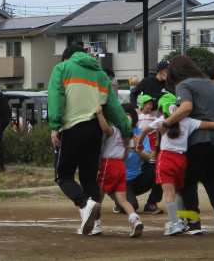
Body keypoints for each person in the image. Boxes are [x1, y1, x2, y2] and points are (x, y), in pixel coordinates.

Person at [141, 55, 214, 235]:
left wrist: (167, 123)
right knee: (210, 177)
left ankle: (193, 223)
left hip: (201, 139)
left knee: (188, 181)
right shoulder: (212, 84)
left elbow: (185, 107)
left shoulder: (184, 85)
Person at [48, 45, 131, 236]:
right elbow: (113, 107)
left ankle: (85, 206)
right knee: (88, 178)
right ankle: (96, 225)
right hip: (95, 131)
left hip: (71, 128)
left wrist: (55, 126)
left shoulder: (62, 68)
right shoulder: (101, 75)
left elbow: (56, 97)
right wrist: (126, 131)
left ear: (66, 58)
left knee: (63, 175)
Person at [95, 104, 143, 238]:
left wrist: (99, 113)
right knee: (122, 200)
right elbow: (126, 153)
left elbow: (105, 127)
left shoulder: (114, 130)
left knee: (98, 196)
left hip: (109, 163)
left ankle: (96, 223)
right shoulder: (127, 135)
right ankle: (135, 219)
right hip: (121, 166)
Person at [110, 103, 154, 216]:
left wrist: (137, 149)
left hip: (137, 178)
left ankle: (152, 203)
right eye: (123, 114)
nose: (126, 117)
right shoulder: (114, 133)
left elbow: (149, 158)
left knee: (158, 169)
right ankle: (117, 198)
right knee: (133, 206)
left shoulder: (140, 133)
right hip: (121, 179)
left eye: (128, 114)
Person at [136, 95, 164, 214]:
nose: (151, 106)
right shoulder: (138, 119)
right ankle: (121, 199)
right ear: (142, 105)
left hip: (151, 144)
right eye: (148, 104)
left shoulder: (154, 118)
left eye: (152, 104)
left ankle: (152, 202)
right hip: (144, 144)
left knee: (156, 171)